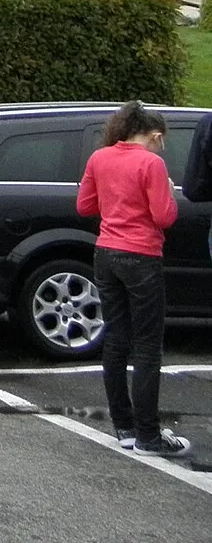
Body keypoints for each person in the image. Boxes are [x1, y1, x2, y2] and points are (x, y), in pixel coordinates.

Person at [76, 100, 187, 456]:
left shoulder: (100, 158)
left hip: (105, 253)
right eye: (161, 140)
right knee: (147, 346)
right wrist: (166, 190)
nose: (162, 147)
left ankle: (123, 426)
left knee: (116, 339)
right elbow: (164, 216)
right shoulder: (151, 163)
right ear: (153, 135)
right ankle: (149, 435)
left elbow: (84, 206)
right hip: (141, 255)